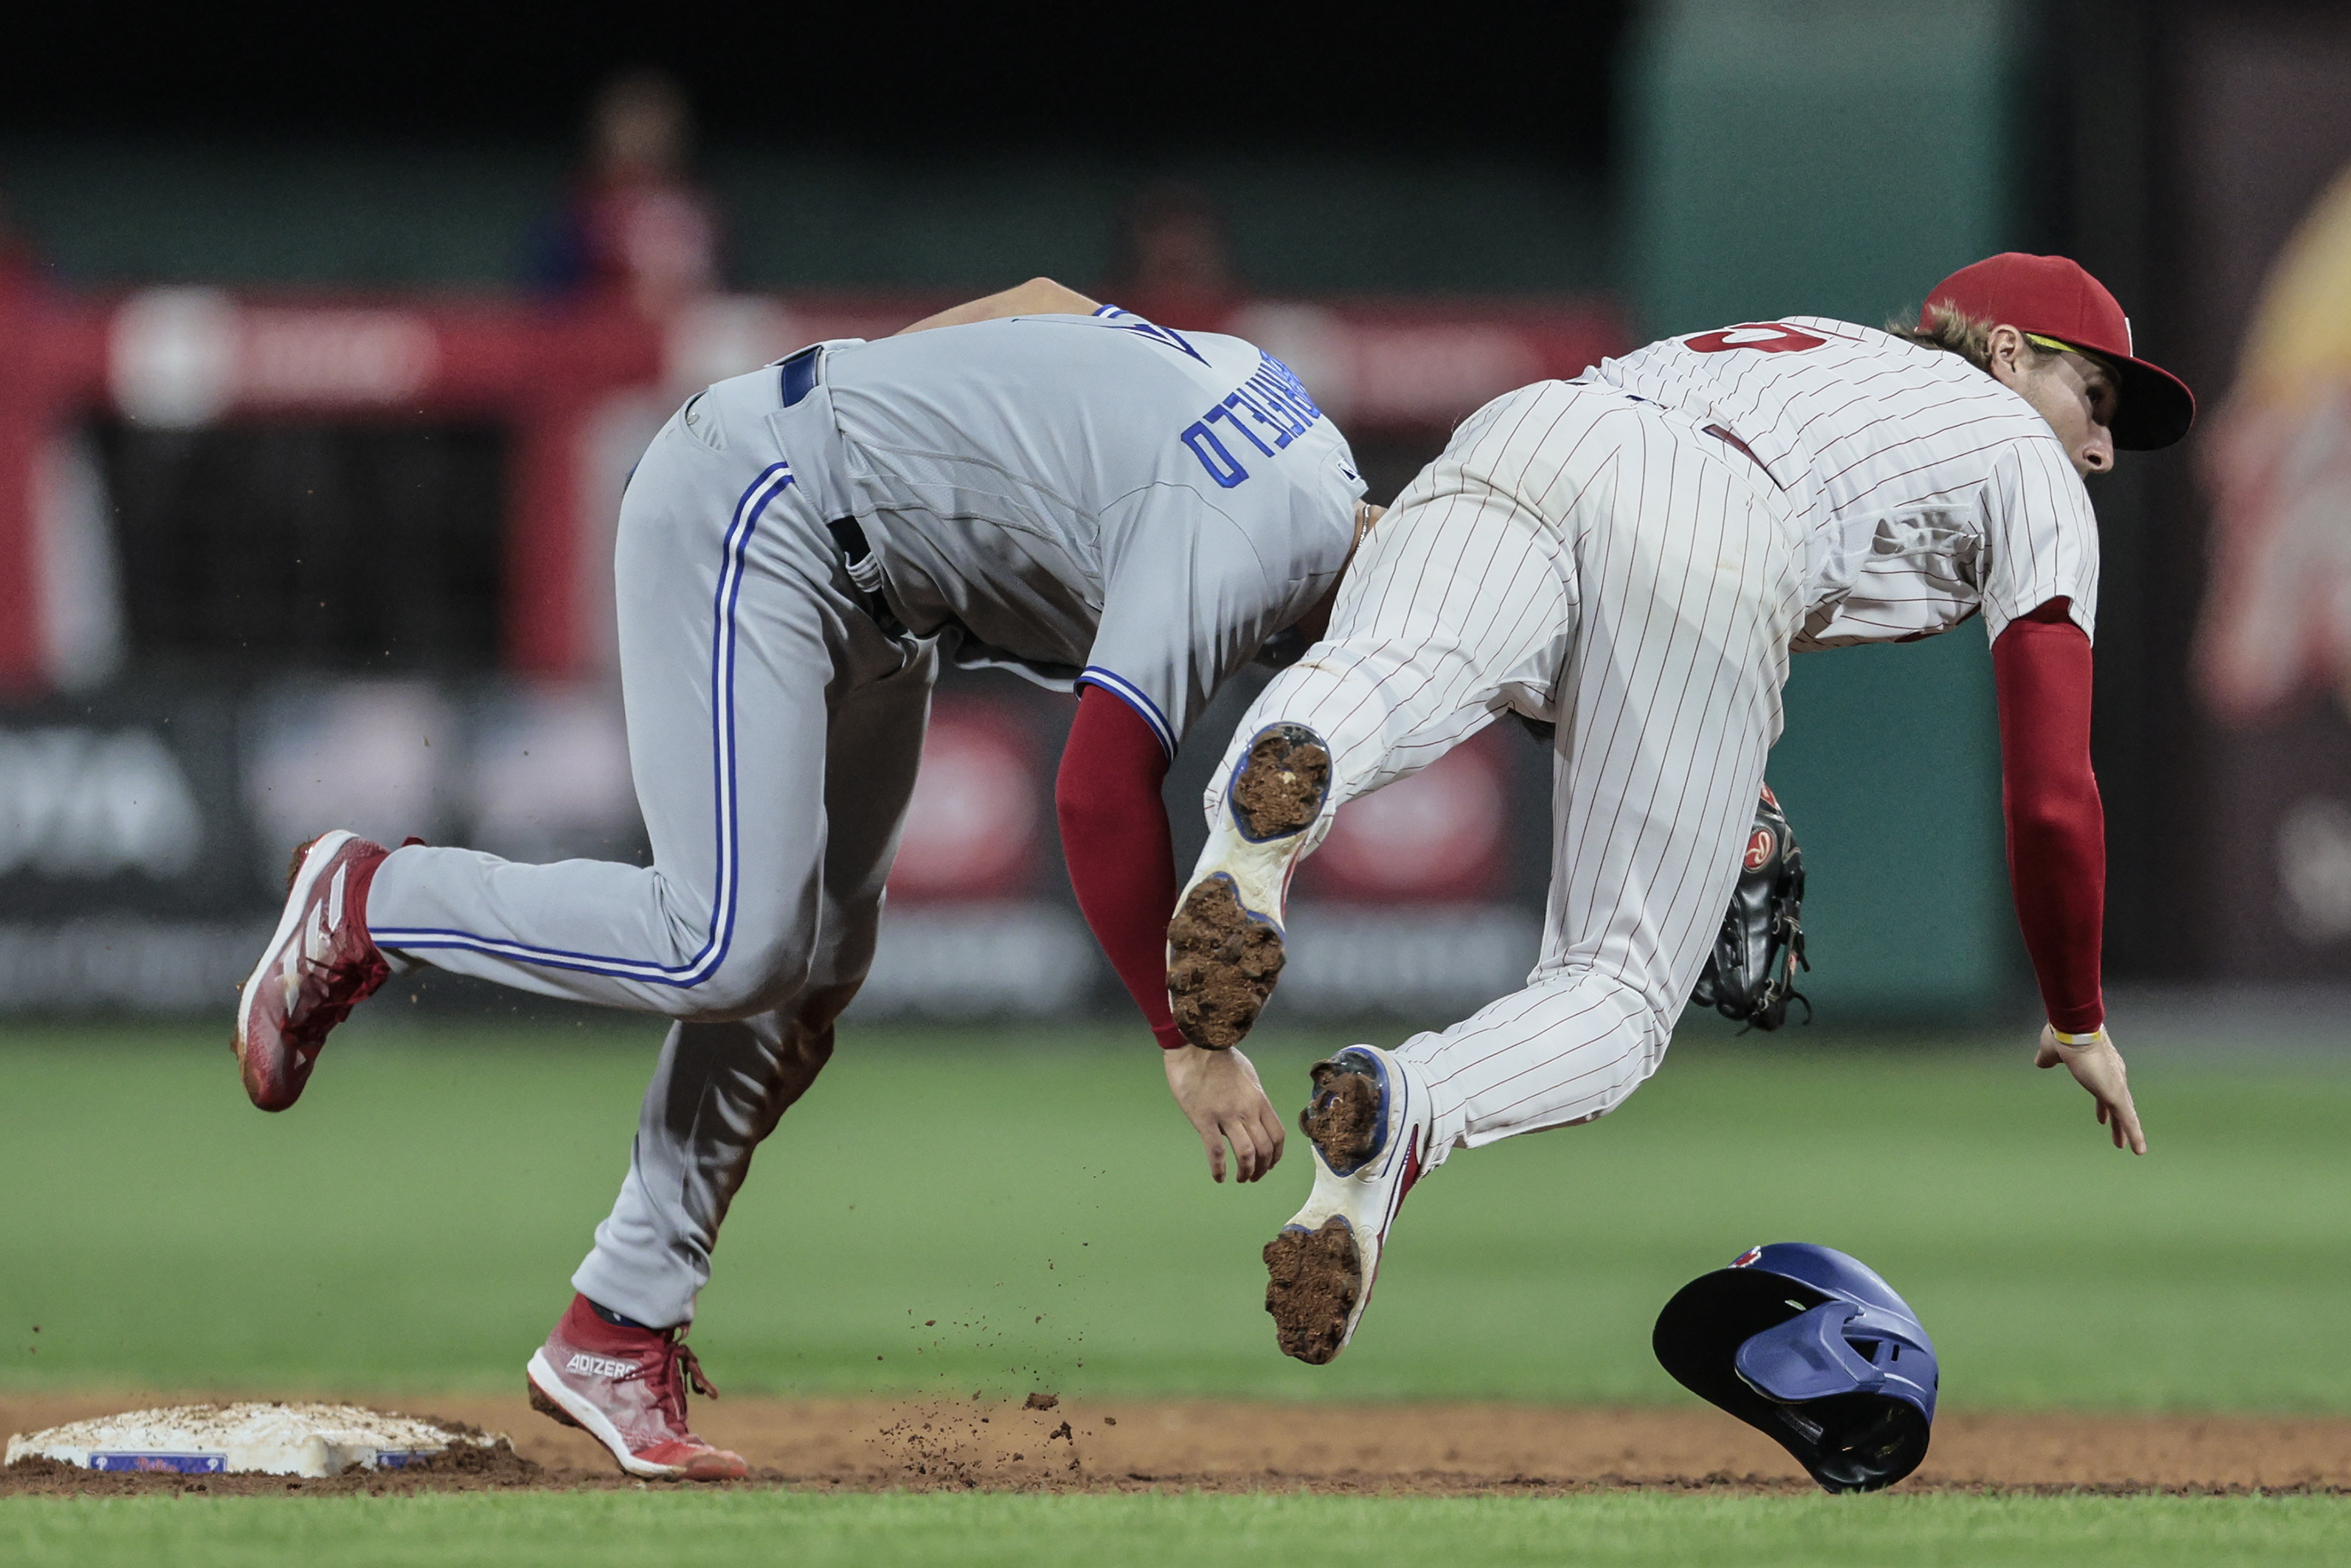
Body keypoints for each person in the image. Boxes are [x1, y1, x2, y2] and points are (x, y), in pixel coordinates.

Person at [232, 277, 1374, 1477]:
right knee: (726, 945)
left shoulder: (1305, 440)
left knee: (808, 981)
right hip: (763, 507)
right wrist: (1181, 1034)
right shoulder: (1259, 539)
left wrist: (894, 398)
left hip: (877, 578)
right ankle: (368, 901)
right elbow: (1095, 791)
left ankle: (615, 1327)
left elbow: (1041, 304)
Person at [1164, 252, 2194, 1365]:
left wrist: (1722, 784)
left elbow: (1602, 627)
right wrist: (2076, 1013)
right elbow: (2050, 797)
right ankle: (1407, 1102)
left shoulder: (1814, 342)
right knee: (1615, 992)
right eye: (2090, 399)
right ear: (2004, 351)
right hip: (1715, 520)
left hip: (1538, 424)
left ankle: (1274, 788)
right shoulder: (2020, 458)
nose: (2096, 448)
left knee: (1390, 672)